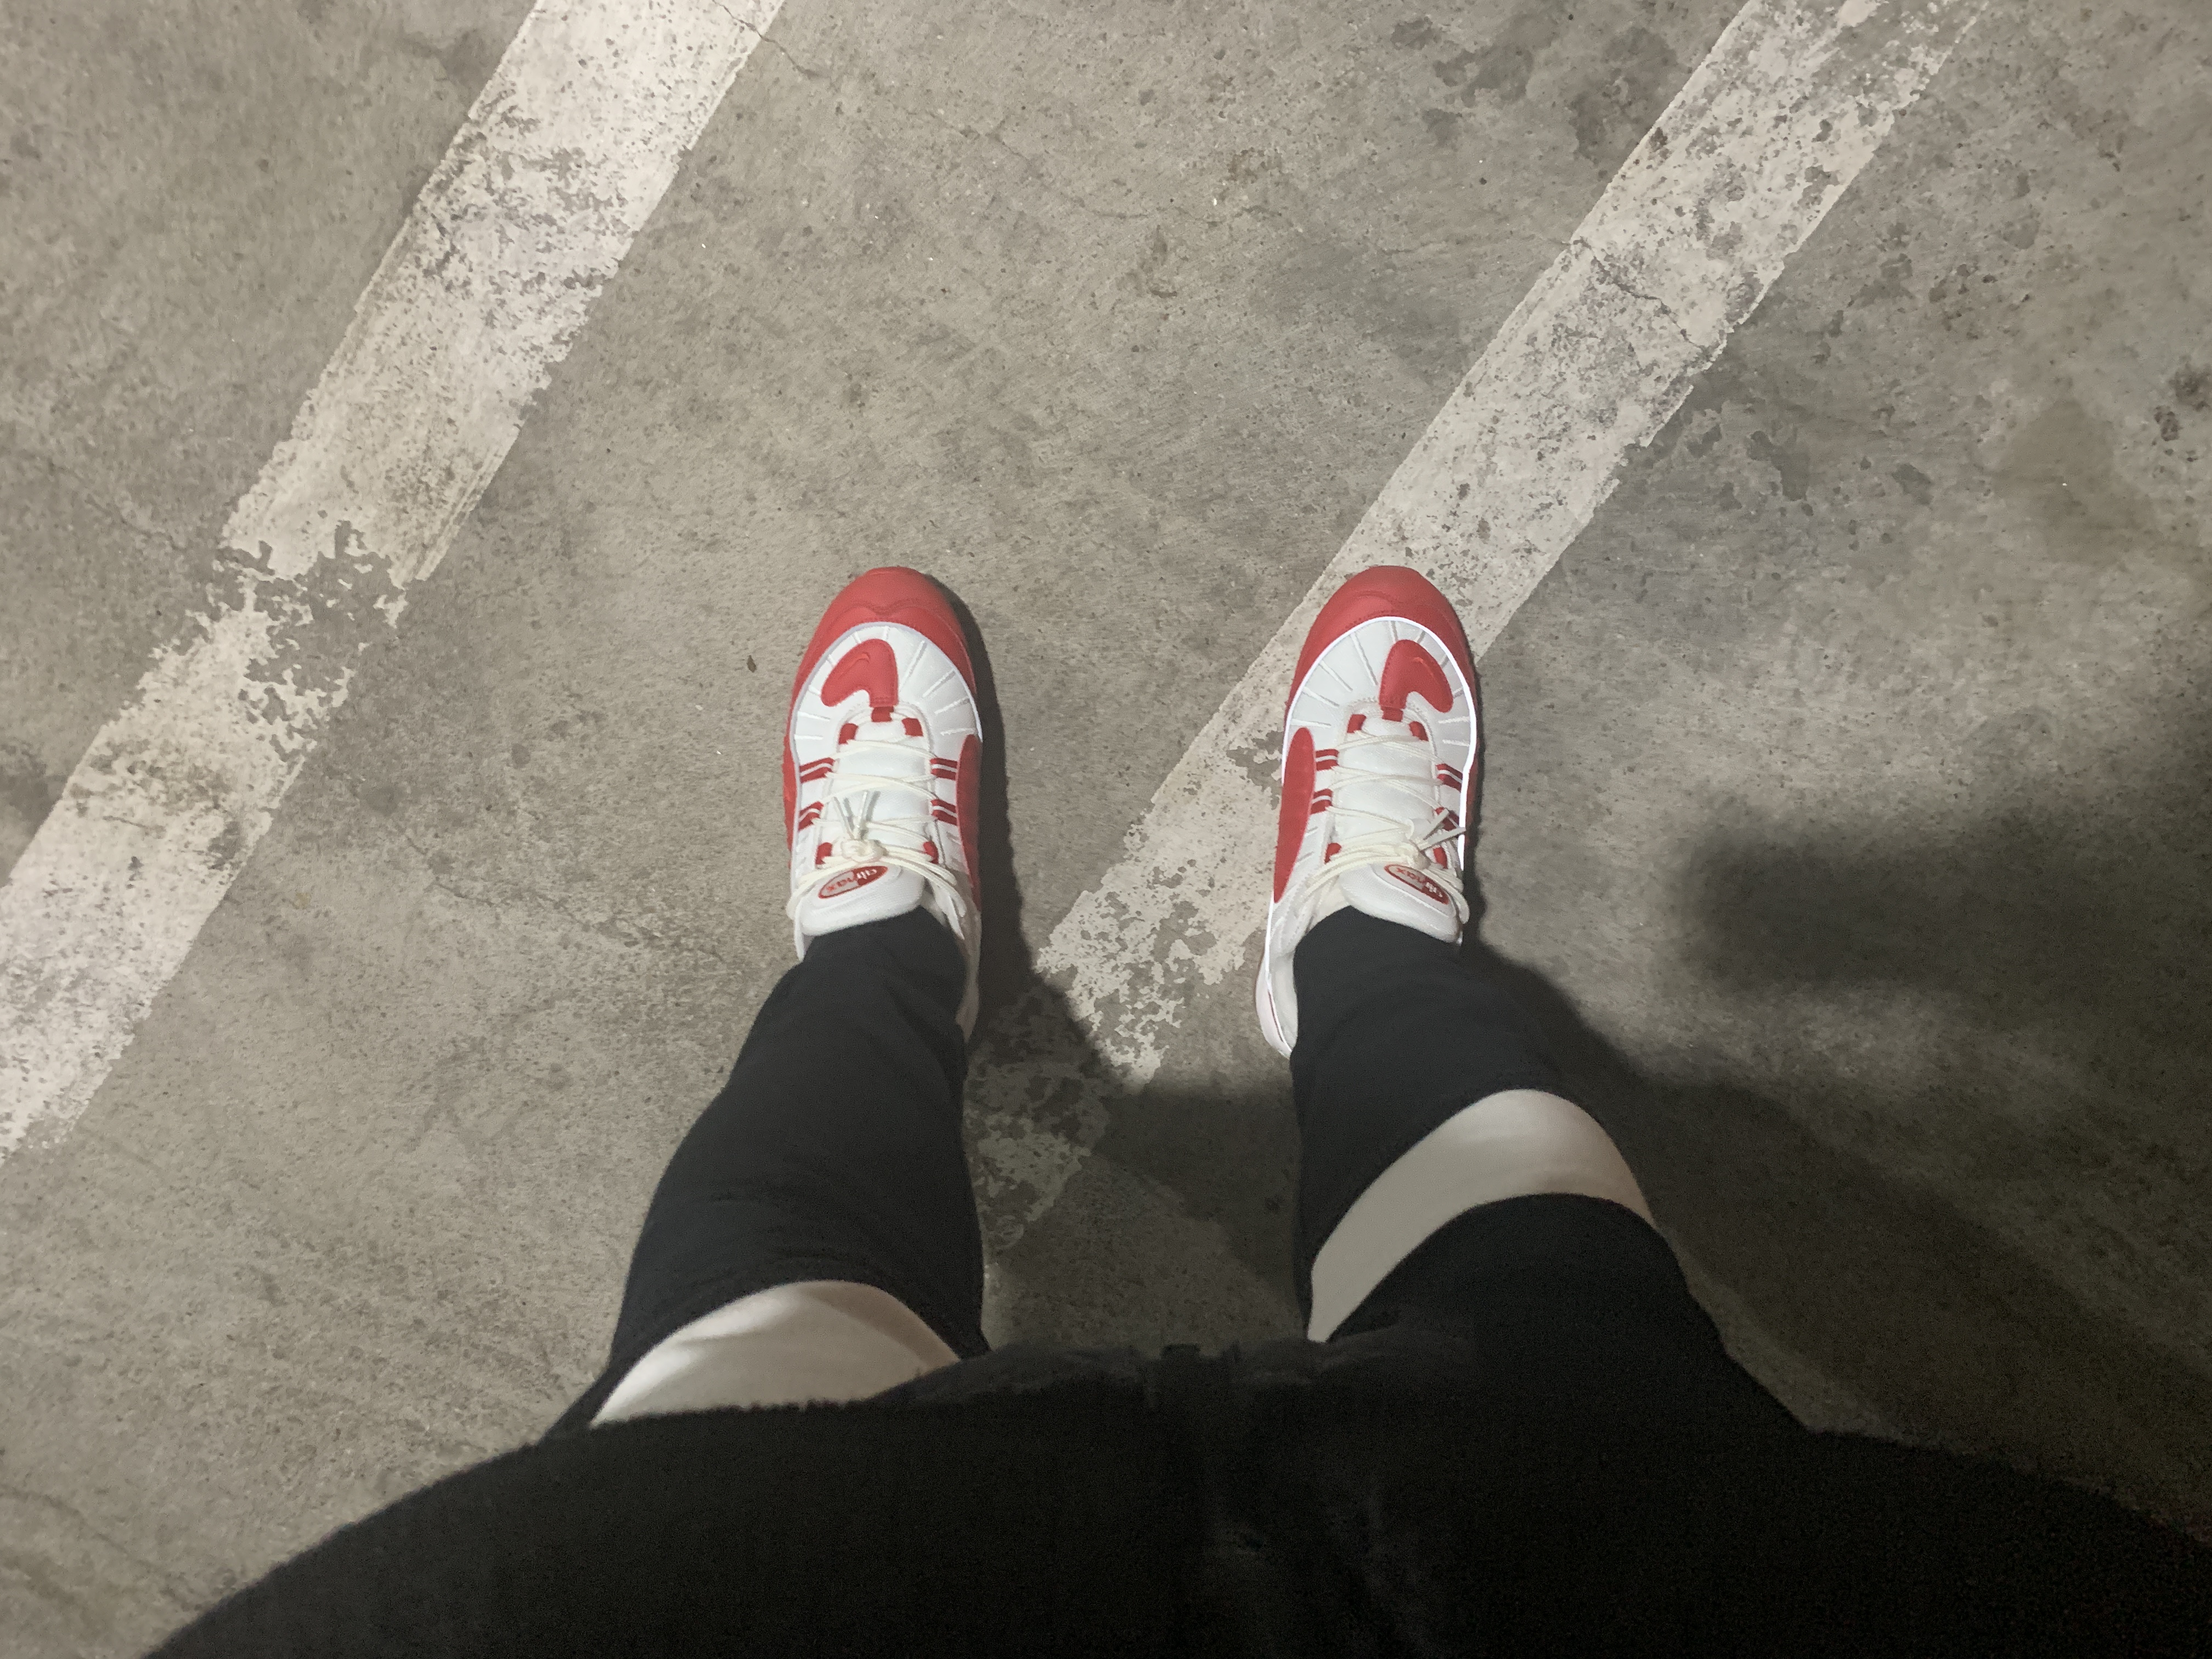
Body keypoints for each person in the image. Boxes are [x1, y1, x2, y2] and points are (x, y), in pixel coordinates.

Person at [151, 568, 2209, 1655]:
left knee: (758, 1329)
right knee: (1552, 1259)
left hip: (746, 1591)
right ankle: (1358, 948)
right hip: (1588, 1570)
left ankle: (890, 950)